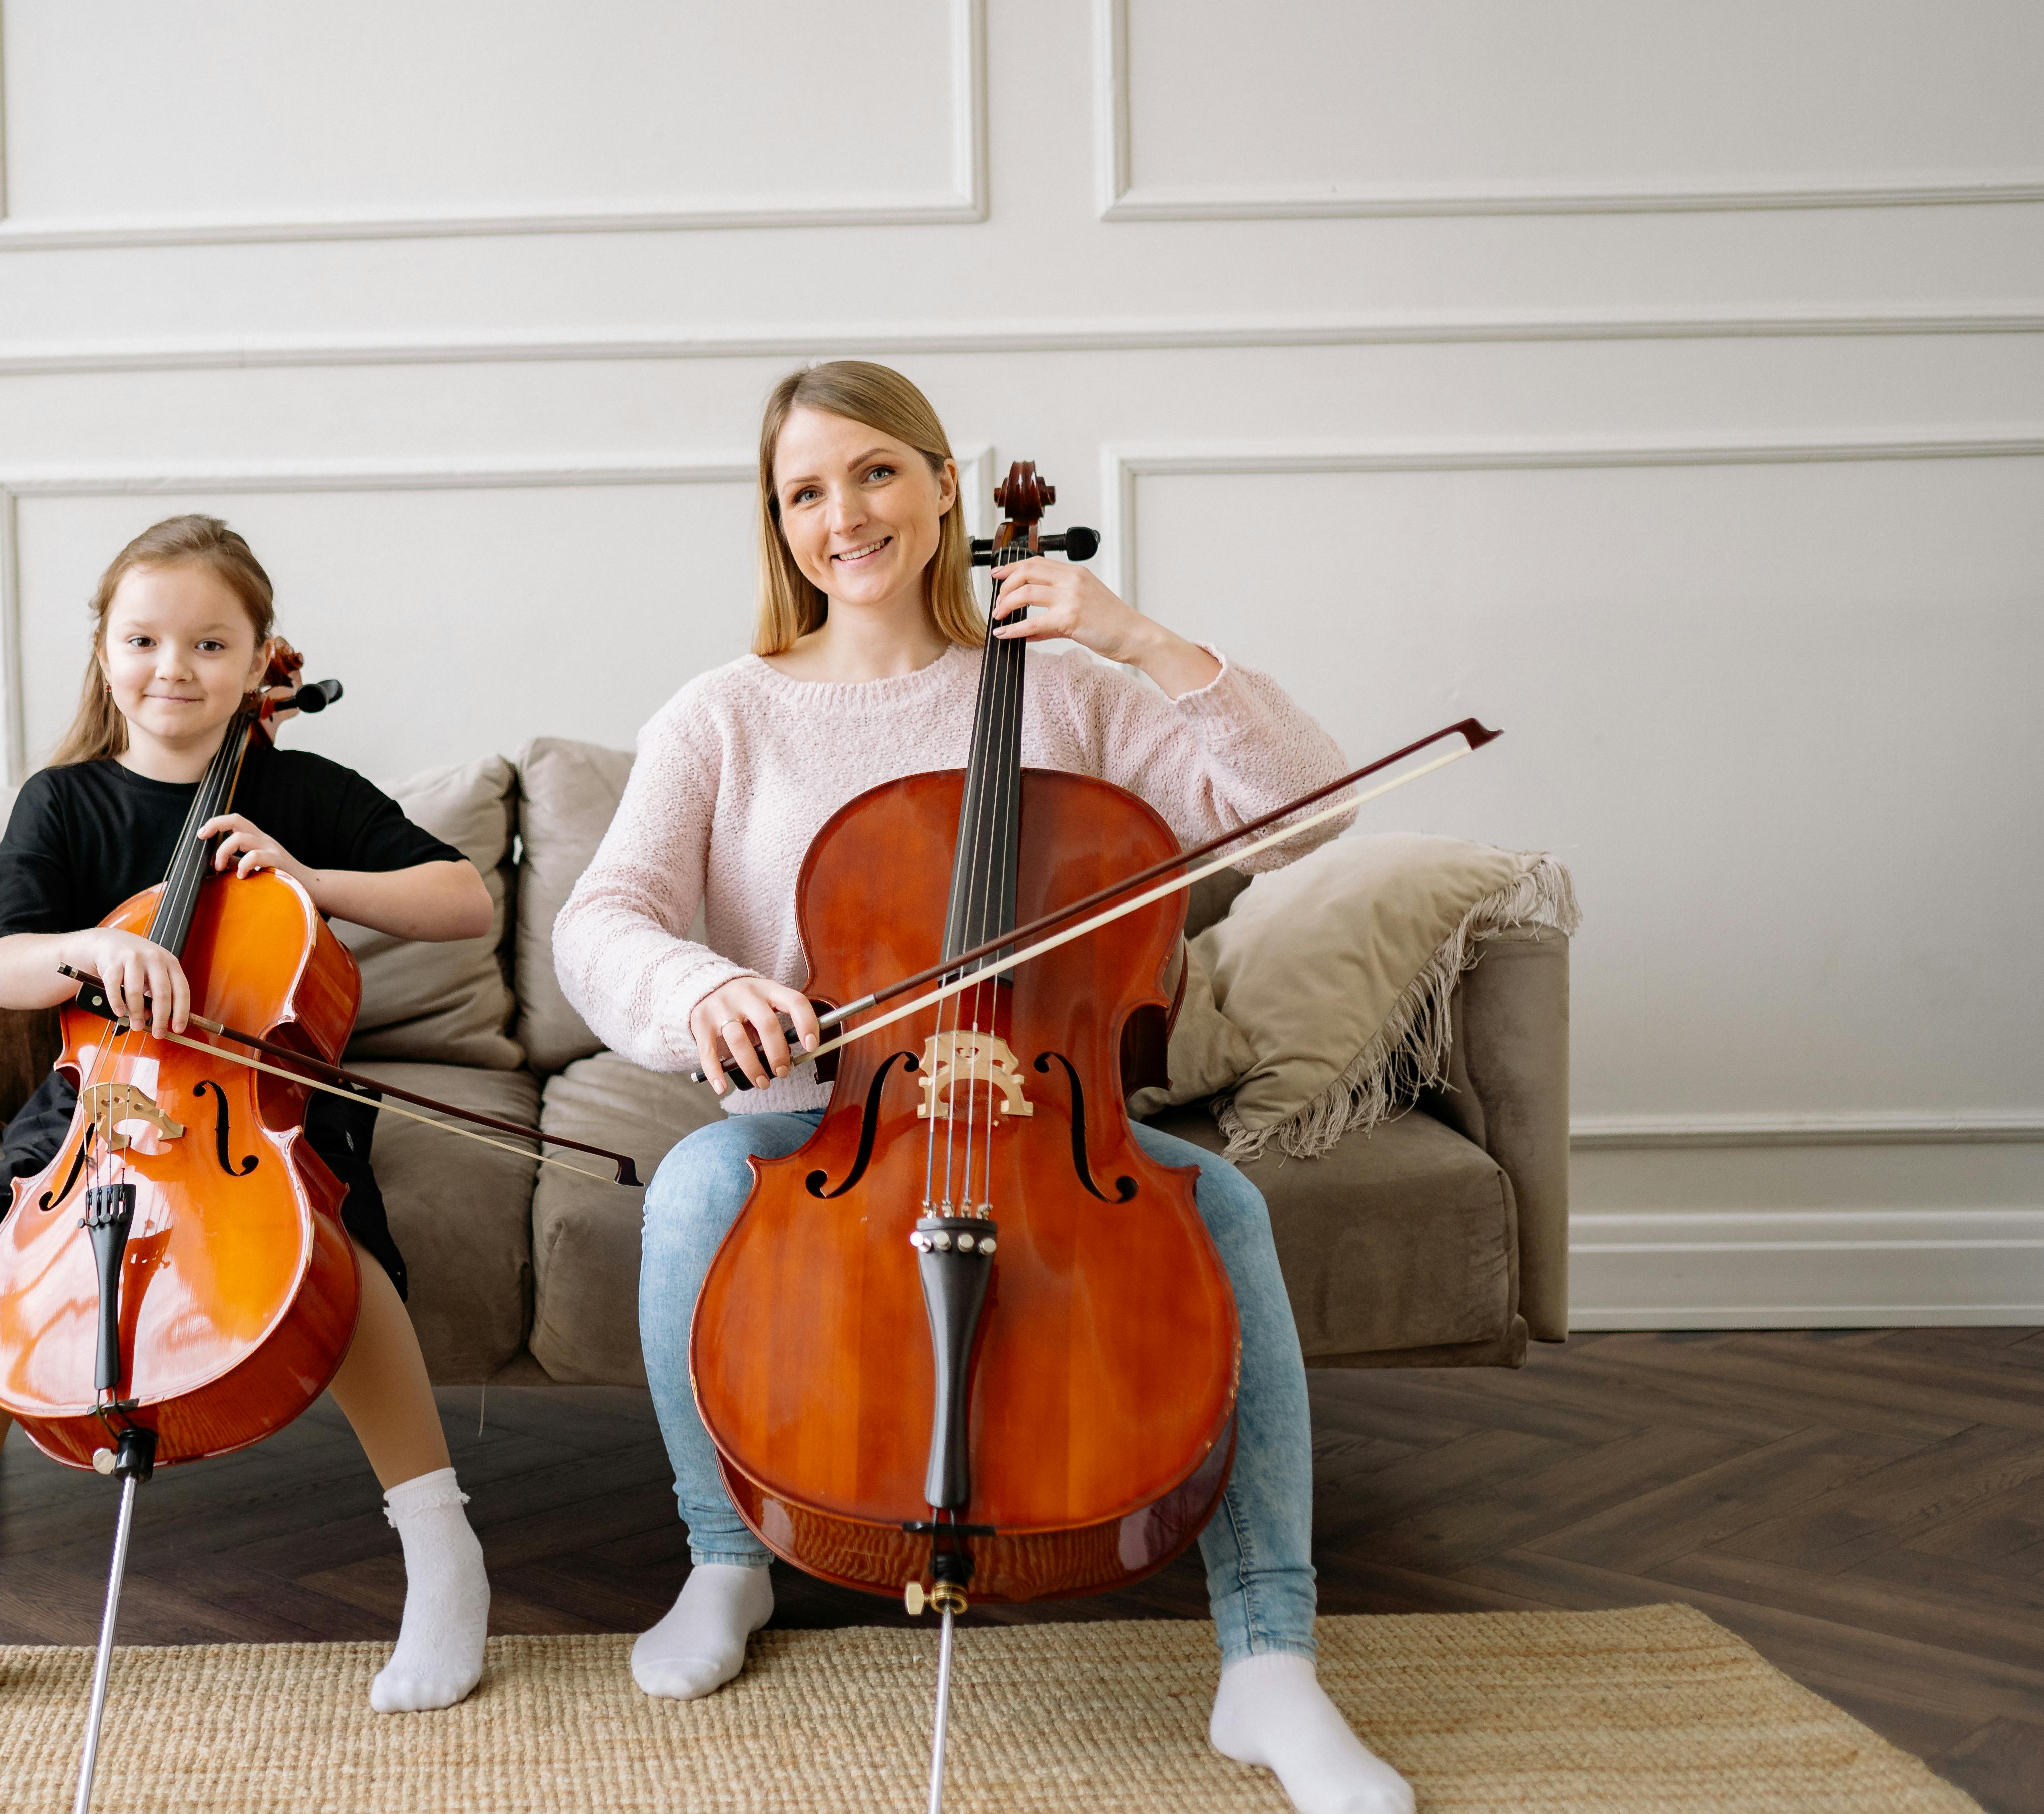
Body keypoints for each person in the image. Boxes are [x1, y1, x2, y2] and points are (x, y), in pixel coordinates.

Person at [551, 363, 1414, 1814]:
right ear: (779, 524)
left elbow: (1308, 811)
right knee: (698, 1185)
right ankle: (725, 1555)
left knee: (1228, 1206)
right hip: (834, 1115)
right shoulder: (723, 717)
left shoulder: (1068, 696)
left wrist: (1141, 639)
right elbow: (602, 920)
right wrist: (709, 991)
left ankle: (1269, 1660)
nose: (847, 515)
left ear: (947, 486)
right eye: (807, 491)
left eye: (878, 473)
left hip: (1046, 1113)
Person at [0, 514, 500, 1735]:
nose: (173, 668)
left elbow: (461, 898)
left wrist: (307, 878)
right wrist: (90, 946)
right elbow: (1, 967)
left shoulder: (296, 792)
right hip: (98, 1101)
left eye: (208, 643)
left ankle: (444, 1558)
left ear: (258, 660)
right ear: (103, 650)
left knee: (327, 1253)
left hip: (261, 1097)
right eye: (144, 639)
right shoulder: (67, 801)